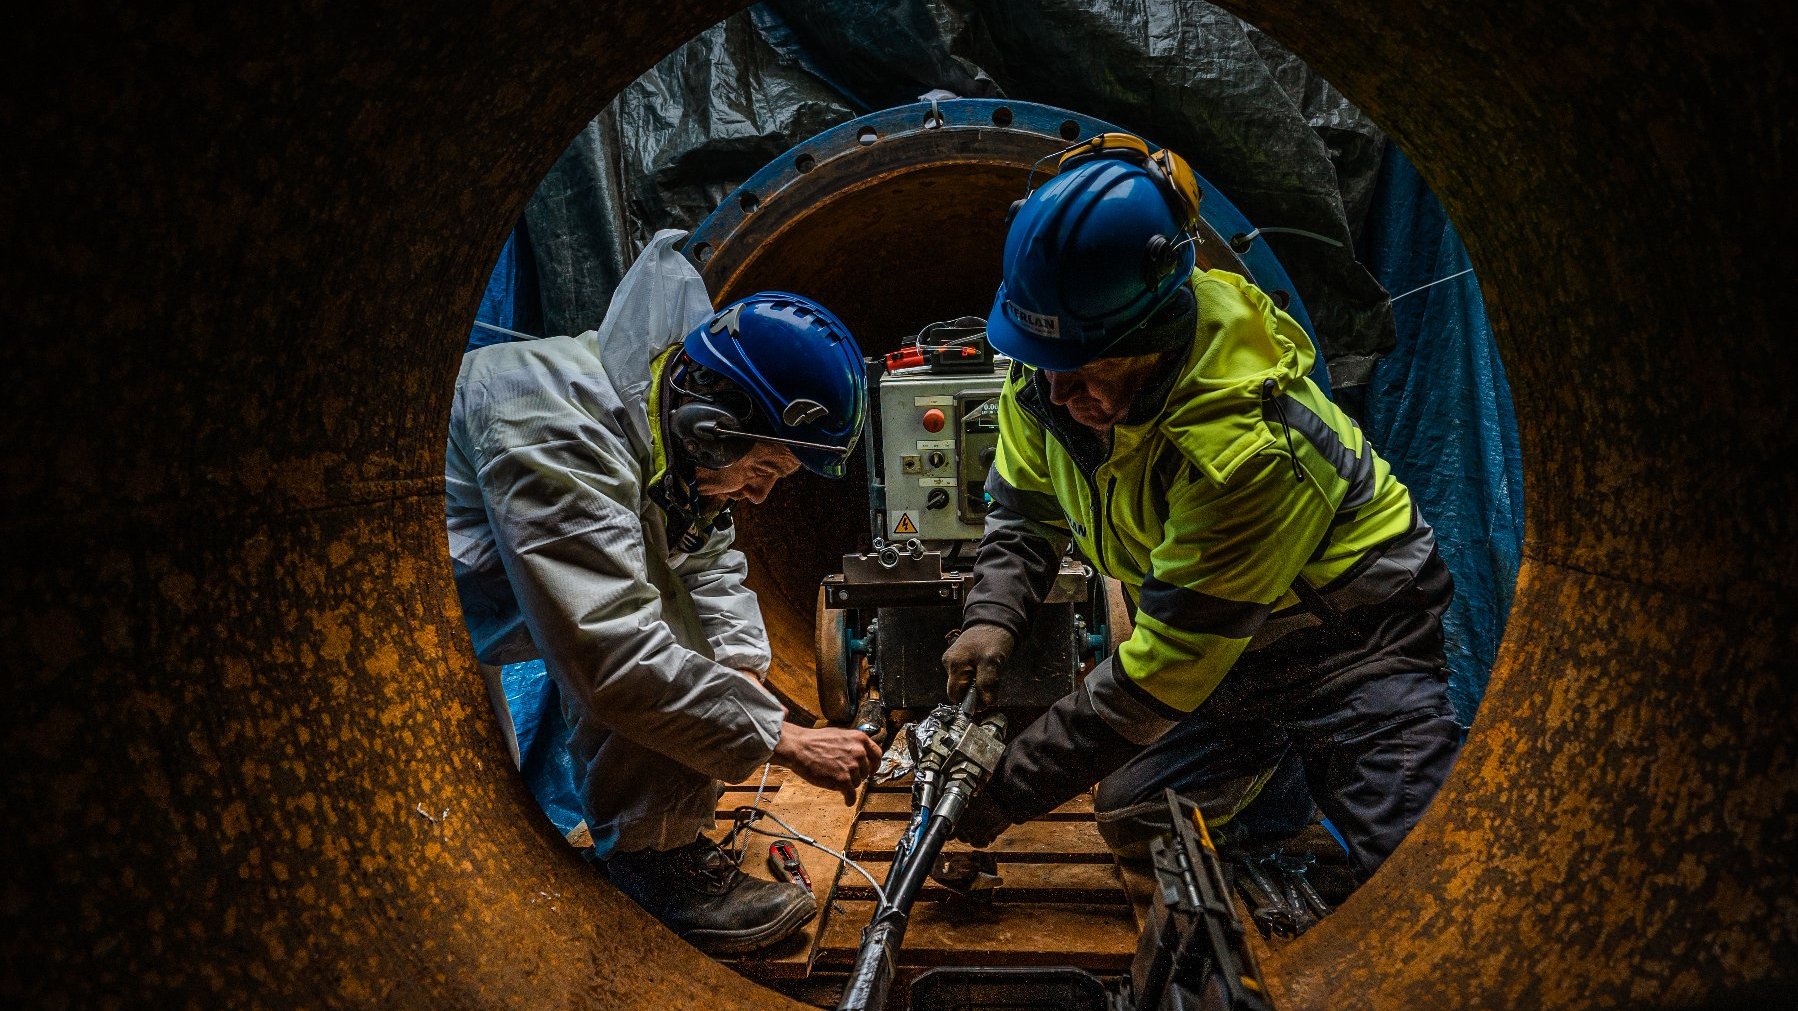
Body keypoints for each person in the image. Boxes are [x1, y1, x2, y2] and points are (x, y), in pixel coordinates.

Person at [942, 135, 1460, 884]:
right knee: (1134, 813)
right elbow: (1024, 509)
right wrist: (990, 615)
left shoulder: (1245, 450)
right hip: (1232, 659)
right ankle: (1275, 763)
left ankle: (1326, 763)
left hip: (1352, 643)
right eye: (1044, 364)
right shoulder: (1049, 369)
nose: (1053, 394)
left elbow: (1161, 674)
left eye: (1083, 368)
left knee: (1412, 878)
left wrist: (1006, 790)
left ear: (1153, 334)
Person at [445, 232, 882, 955]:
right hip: (409, 622)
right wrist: (785, 737)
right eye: (764, 468)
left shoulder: (665, 433)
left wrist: (740, 673)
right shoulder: (555, 424)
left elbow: (705, 552)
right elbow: (611, 651)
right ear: (711, 428)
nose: (763, 496)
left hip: (470, 616)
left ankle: (663, 848)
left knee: (691, 652)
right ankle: (651, 866)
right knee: (455, 840)